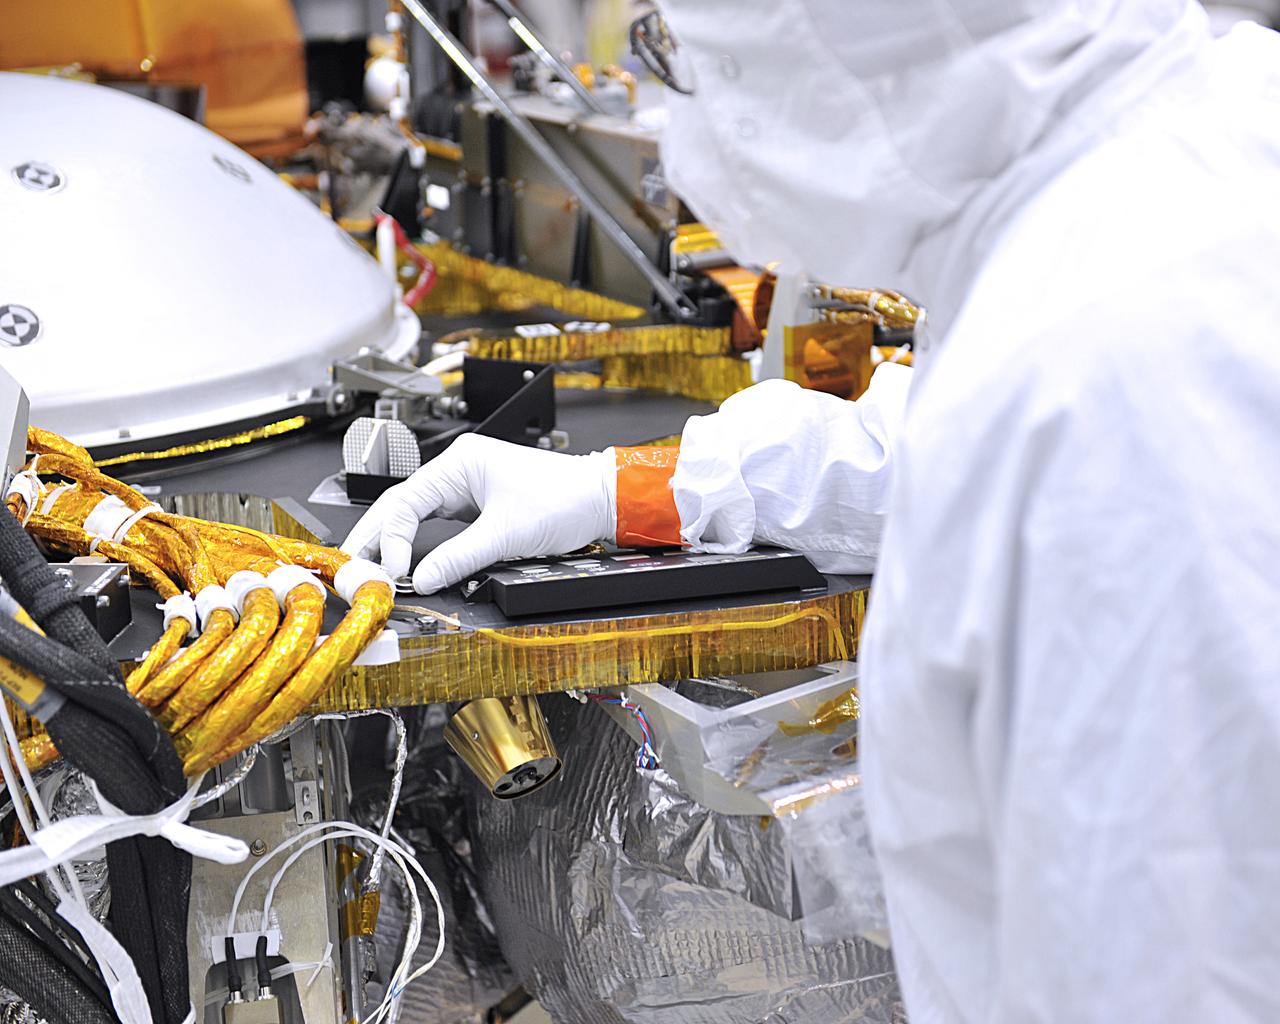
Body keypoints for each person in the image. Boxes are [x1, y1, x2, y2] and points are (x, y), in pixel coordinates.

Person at [343, 1, 1280, 1019]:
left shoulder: (1118, 367)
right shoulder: (1153, 166)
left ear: (849, 44)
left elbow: (1176, 958)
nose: (681, 121)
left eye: (686, 51)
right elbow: (909, 449)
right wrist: (617, 487)